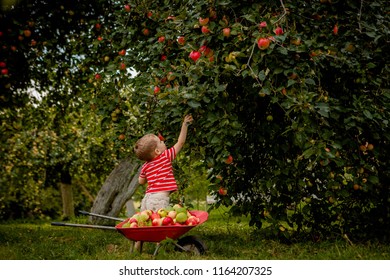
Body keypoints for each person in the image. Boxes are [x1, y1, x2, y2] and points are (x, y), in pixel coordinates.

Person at [132, 114, 193, 251]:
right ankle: (161, 248)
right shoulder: (165, 157)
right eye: (161, 142)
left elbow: (141, 181)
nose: (163, 142)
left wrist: (148, 176)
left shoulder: (145, 166)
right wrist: (184, 125)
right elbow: (180, 142)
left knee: (144, 223)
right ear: (157, 151)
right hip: (159, 198)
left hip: (147, 198)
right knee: (160, 225)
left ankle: (137, 247)